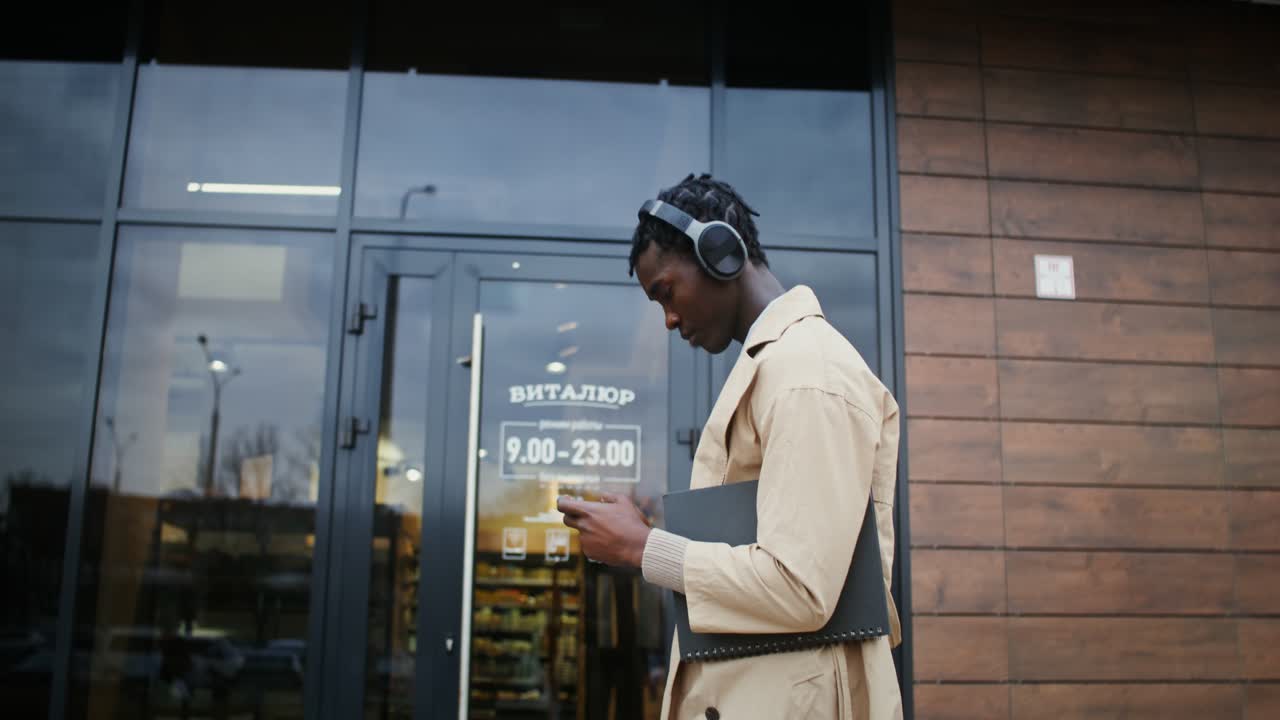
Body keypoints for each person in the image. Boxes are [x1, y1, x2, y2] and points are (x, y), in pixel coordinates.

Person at [557, 173, 903, 719]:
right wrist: (649, 536)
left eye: (666, 293)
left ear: (721, 253)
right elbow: (770, 553)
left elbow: (800, 587)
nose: (669, 320)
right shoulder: (778, 366)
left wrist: (643, 549)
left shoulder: (805, 372)